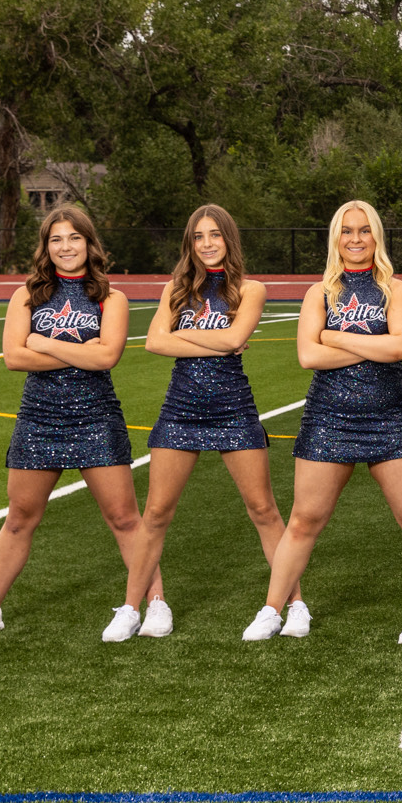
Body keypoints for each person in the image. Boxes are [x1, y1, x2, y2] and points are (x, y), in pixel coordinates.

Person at [243, 200, 402, 641]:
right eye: (347, 231)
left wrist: (334, 335)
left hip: (390, 415)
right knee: (303, 521)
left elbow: (399, 348)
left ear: (377, 236)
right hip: (328, 416)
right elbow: (308, 355)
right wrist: (371, 345)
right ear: (336, 238)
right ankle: (273, 610)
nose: (356, 239)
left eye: (364, 230)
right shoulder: (319, 293)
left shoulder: (396, 290)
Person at [0, 204, 143, 640]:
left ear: (89, 243)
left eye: (74, 237)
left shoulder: (112, 298)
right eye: (56, 239)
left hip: (96, 416)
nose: (65, 246)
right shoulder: (26, 295)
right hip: (39, 418)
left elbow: (107, 357)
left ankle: (151, 605)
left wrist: (42, 341)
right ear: (46, 247)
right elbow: (14, 357)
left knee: (124, 518)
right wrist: (80, 351)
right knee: (20, 517)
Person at [124, 204, 293, 640]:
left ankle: (294, 605)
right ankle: (134, 608)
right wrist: (214, 342)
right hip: (180, 408)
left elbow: (235, 338)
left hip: (233, 407)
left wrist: (183, 336)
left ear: (228, 238)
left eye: (214, 234)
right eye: (198, 237)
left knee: (263, 509)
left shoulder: (250, 289)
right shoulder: (176, 289)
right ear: (190, 243)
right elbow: (153, 343)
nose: (206, 243)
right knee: (156, 512)